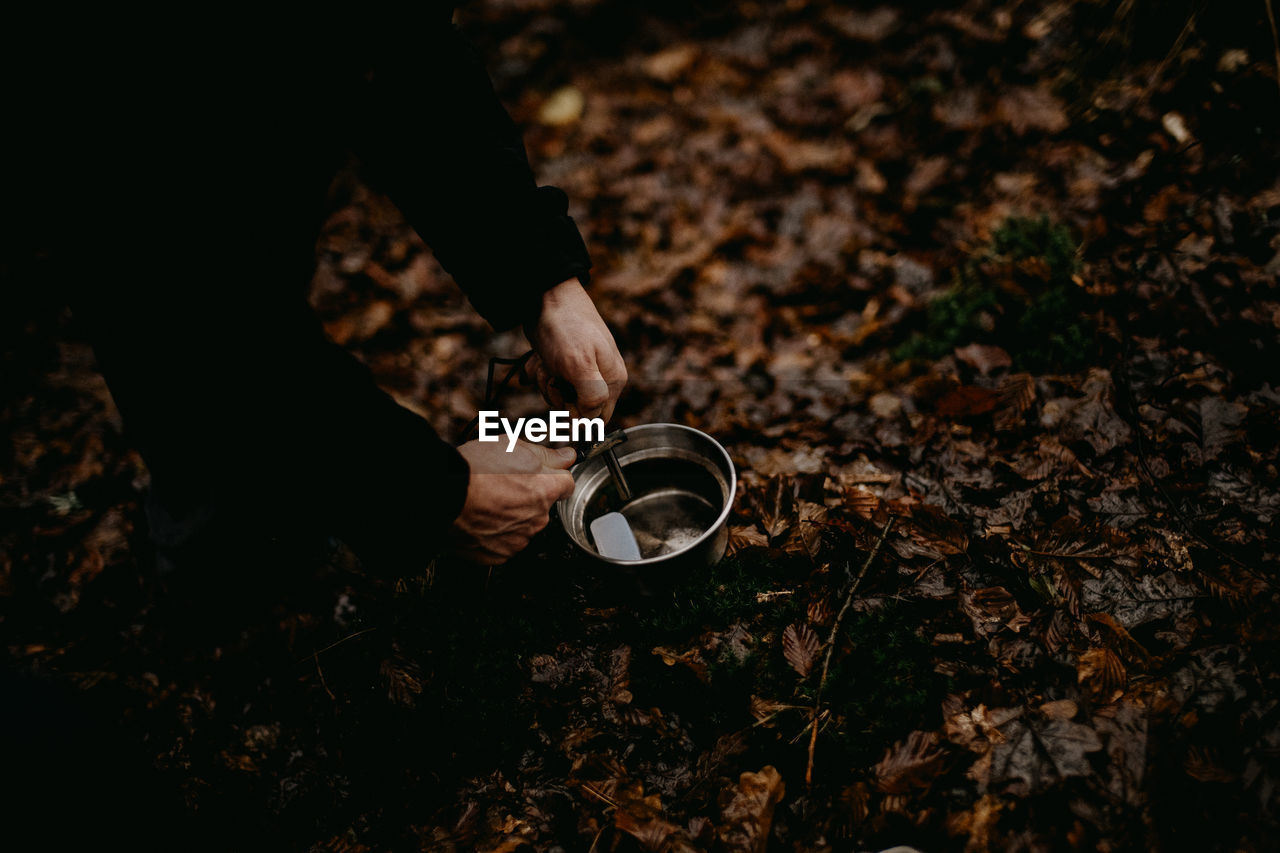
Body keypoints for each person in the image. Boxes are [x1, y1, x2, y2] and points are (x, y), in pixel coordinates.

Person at [8, 9, 627, 577]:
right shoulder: (128, 66)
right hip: (138, 220)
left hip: (223, 203)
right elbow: (194, 313)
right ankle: (220, 538)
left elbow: (410, 64)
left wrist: (545, 282)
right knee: (200, 409)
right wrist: (431, 498)